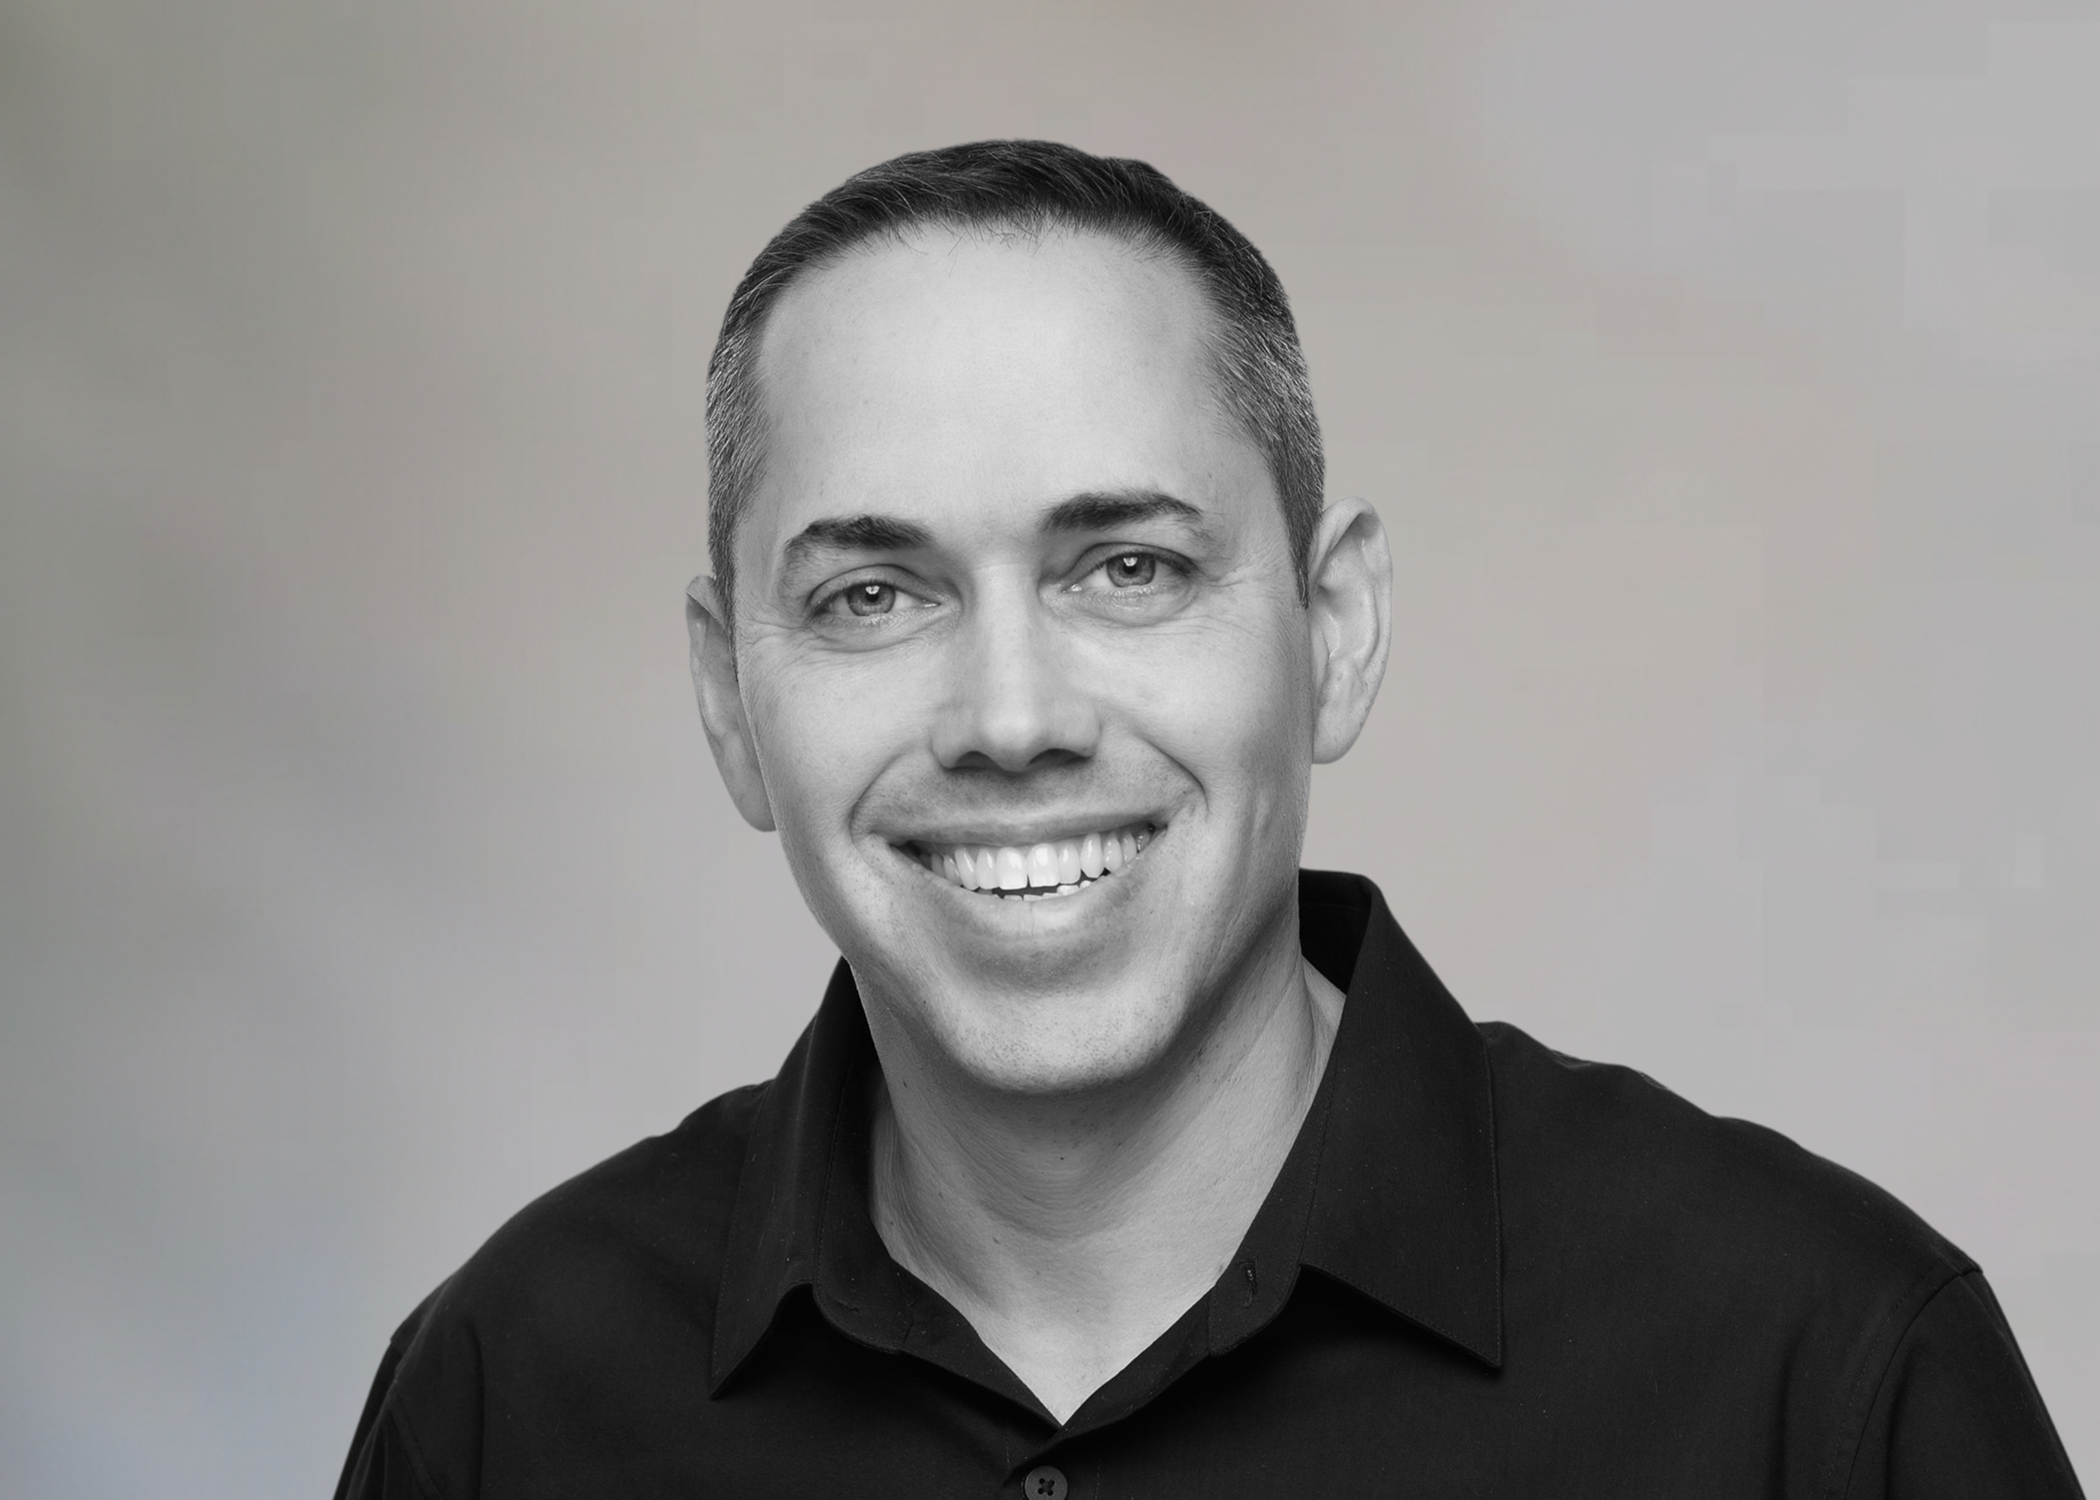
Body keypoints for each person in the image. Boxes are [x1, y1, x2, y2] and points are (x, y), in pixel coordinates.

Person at [335, 141, 2081, 1498]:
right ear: (731, 699)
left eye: (1129, 568)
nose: (1011, 720)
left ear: (1337, 631)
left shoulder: (1816, 1372)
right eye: (875, 595)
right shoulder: (507, 1401)